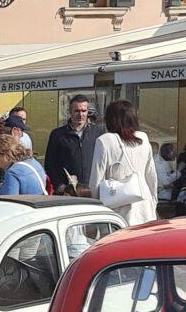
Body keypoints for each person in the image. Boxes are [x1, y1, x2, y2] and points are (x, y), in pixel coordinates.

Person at [86, 99, 159, 227]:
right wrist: (153, 200)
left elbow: (96, 180)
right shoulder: (143, 138)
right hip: (144, 205)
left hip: (117, 206)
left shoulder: (104, 141)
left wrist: (95, 209)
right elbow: (151, 175)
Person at [45, 95, 96, 194]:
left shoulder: (96, 133)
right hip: (67, 191)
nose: (81, 114)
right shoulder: (57, 134)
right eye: (77, 111)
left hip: (91, 190)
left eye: (84, 111)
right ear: (70, 111)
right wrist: (60, 186)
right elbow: (49, 164)